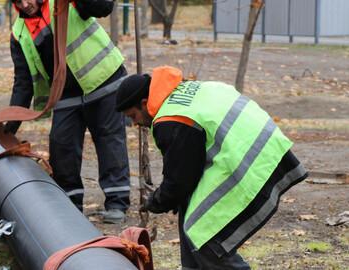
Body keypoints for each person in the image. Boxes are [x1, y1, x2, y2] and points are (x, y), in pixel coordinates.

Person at [115, 66, 308, 269]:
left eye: (133, 116)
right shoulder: (183, 89)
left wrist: (156, 201)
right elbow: (185, 176)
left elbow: (180, 180)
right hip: (264, 149)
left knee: (206, 240)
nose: (135, 123)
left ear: (144, 103)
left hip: (250, 162)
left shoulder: (171, 119)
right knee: (193, 218)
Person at [7, 0, 130, 223]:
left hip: (103, 81)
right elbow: (23, 84)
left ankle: (117, 203)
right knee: (61, 145)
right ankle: (71, 205)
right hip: (64, 94)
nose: (25, 4)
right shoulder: (19, 33)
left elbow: (104, 7)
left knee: (109, 140)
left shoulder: (65, 4)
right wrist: (9, 127)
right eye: (18, 1)